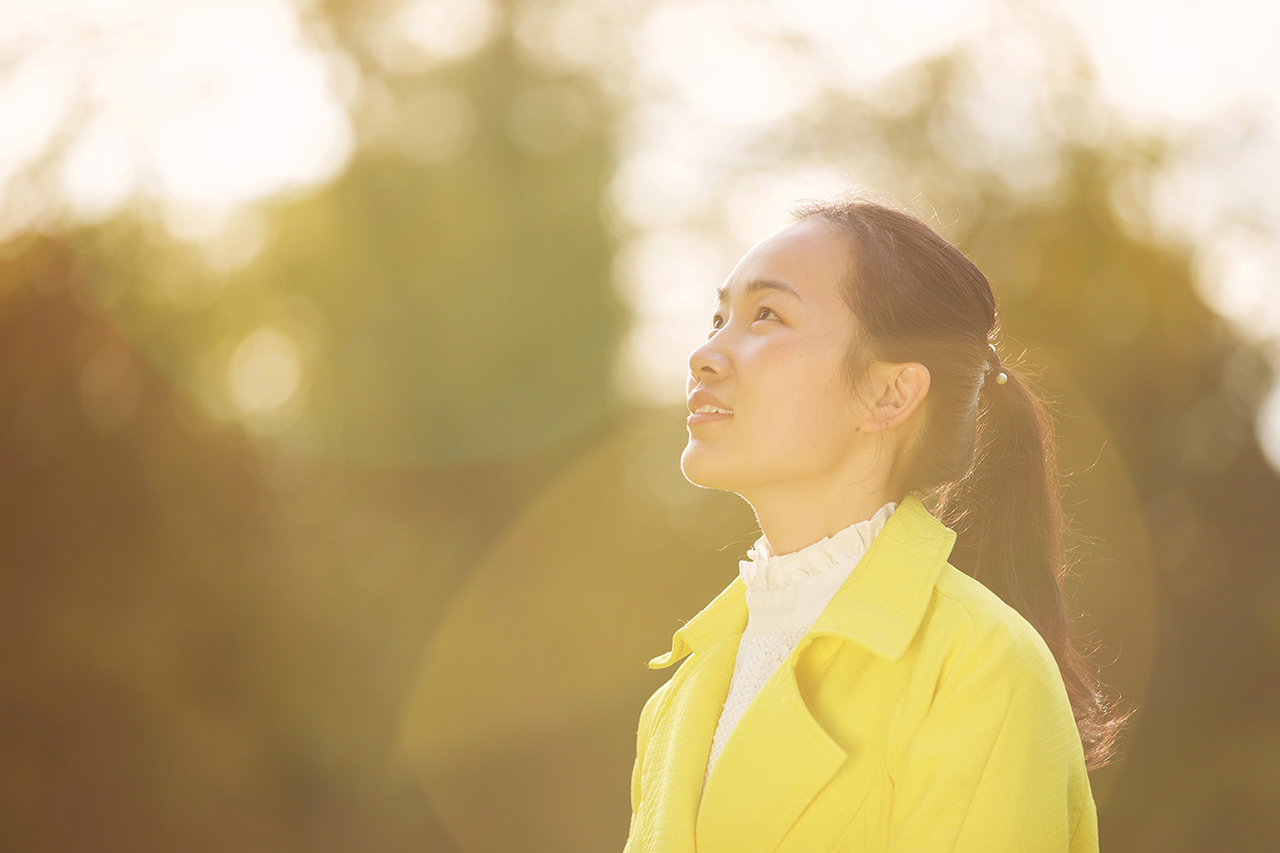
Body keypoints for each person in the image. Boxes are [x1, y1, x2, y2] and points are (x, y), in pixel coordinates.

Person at [623, 197, 1131, 853]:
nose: (705, 354)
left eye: (766, 315)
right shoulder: (677, 699)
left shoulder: (981, 668)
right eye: (718, 318)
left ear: (891, 393)